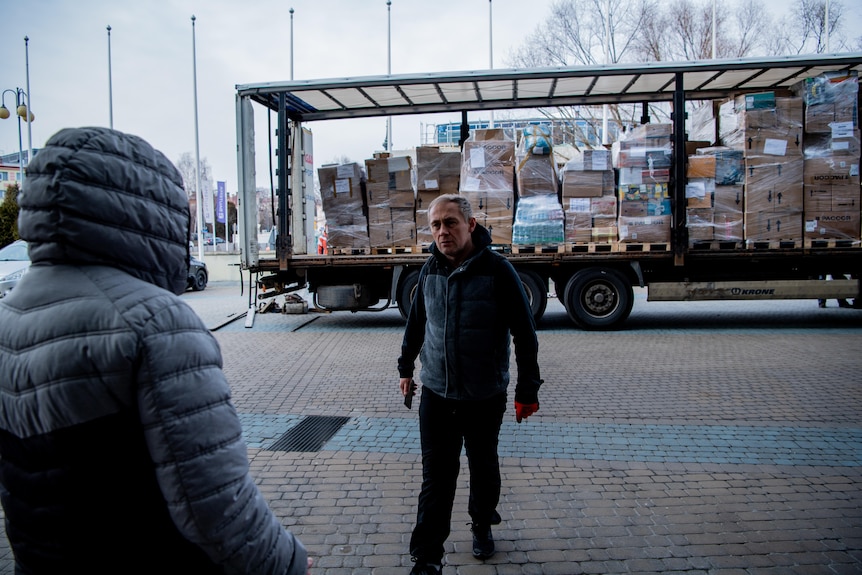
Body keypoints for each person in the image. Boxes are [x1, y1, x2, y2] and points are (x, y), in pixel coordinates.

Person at [0, 127, 310, 574]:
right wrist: (286, 563)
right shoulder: (154, 322)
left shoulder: (10, 314)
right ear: (149, 210)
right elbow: (214, 501)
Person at [397, 194, 542, 575]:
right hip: (437, 394)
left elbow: (525, 334)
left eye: (450, 223)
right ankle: (427, 558)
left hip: (484, 394)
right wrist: (405, 367)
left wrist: (527, 390)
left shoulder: (498, 271)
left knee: (483, 466)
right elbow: (417, 325)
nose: (442, 232)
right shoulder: (428, 271)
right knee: (437, 480)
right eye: (435, 225)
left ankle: (481, 523)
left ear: (470, 225)